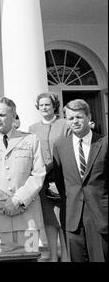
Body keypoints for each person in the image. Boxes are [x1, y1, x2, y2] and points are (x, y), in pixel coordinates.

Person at [0, 97, 45, 250]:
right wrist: (3, 205)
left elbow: (38, 175)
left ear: (13, 115)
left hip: (28, 218)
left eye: (2, 115)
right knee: (0, 259)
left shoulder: (31, 140)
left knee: (30, 257)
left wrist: (17, 201)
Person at [53, 99, 107, 262]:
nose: (75, 121)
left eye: (79, 117)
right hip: (72, 217)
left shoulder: (104, 143)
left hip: (101, 217)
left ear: (88, 117)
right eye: (70, 118)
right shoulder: (60, 145)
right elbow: (59, 182)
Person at [29, 92, 70, 262]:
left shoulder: (65, 125)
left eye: (48, 104)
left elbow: (69, 151)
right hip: (43, 180)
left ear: (54, 106)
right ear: (38, 107)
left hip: (63, 178)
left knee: (64, 219)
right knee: (49, 219)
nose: (45, 108)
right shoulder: (33, 129)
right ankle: (53, 255)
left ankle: (67, 256)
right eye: (42, 105)